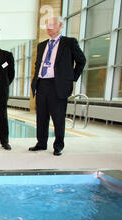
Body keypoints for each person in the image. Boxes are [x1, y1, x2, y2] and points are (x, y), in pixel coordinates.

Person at [30, 16, 86, 156]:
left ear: (60, 25)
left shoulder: (69, 43)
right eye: (47, 25)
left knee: (58, 117)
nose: (48, 27)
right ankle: (41, 143)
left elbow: (81, 61)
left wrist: (72, 78)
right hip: (42, 83)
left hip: (57, 85)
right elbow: (38, 64)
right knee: (41, 117)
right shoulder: (42, 45)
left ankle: (58, 145)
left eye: (52, 24)